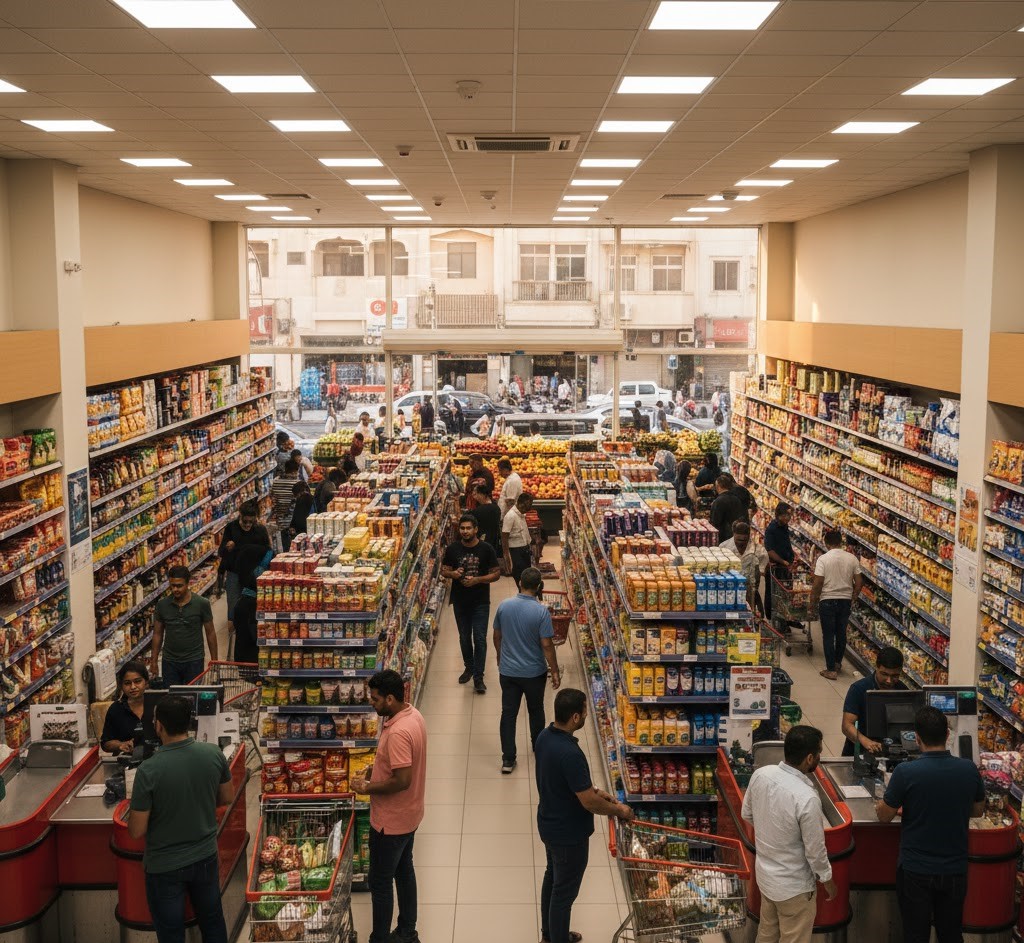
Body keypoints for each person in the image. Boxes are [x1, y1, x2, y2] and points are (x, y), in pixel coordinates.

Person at [875, 707, 985, 943]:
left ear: (916, 737)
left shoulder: (906, 772)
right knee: (951, 933)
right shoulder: (969, 769)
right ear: (947, 735)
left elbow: (884, 816)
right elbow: (977, 810)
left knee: (916, 934)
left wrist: (883, 806)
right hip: (955, 869)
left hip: (916, 870)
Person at [128, 695, 232, 943]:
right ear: (190, 722)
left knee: (171, 933)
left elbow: (136, 830)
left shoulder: (148, 770)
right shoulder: (213, 754)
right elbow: (226, 797)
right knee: (213, 922)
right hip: (205, 856)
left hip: (164, 866)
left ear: (158, 725)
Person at [535, 689, 633, 943]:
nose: (588, 715)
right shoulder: (570, 753)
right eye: (586, 712)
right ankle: (556, 939)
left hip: (549, 822)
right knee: (564, 894)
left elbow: (572, 785)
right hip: (568, 833)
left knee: (553, 877)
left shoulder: (544, 737)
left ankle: (550, 933)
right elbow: (588, 801)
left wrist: (599, 792)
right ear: (576, 717)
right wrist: (619, 809)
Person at [350, 670, 428, 943]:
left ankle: (379, 938)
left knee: (381, 883)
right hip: (411, 813)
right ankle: (408, 931)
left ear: (391, 698)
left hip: (390, 822)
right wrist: (375, 768)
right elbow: (400, 764)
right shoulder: (413, 715)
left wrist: (366, 787)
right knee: (405, 871)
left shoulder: (397, 732)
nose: (371, 703)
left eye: (375, 699)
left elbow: (403, 780)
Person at [741, 725, 837, 943]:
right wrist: (828, 880)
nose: (820, 757)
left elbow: (747, 813)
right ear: (810, 758)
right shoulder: (806, 798)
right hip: (794, 888)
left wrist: (771, 830)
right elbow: (815, 851)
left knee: (767, 934)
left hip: (766, 878)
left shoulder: (761, 774)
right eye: (819, 753)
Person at [493, 567, 560, 774]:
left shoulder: (504, 606)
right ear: (540, 587)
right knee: (536, 710)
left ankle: (508, 759)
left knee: (508, 713)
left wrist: (499, 655)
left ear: (520, 583)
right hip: (534, 672)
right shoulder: (540, 612)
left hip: (509, 671)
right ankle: (538, 749)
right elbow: (547, 645)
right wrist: (555, 670)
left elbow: (497, 636)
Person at [440, 514, 500, 694]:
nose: (465, 531)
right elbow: (444, 570)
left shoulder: (486, 549)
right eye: (462, 528)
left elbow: (496, 573)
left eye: (468, 528)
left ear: (476, 530)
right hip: (460, 601)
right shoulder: (452, 549)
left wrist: (478, 580)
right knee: (464, 637)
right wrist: (454, 574)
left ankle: (478, 676)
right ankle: (469, 667)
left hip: (481, 601)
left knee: (480, 638)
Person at [151, 566, 216, 685]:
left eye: (179, 585)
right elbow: (157, 634)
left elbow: (210, 632)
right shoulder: (162, 605)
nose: (175, 589)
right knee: (172, 699)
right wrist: (153, 661)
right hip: (170, 661)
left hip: (194, 660)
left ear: (188, 583)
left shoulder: (202, 604)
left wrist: (215, 661)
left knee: (192, 697)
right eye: (172, 585)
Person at [812, 530, 863, 680]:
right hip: (845, 601)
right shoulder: (852, 558)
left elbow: (818, 583)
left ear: (826, 543)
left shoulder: (823, 559)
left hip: (827, 600)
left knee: (828, 635)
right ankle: (837, 664)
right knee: (841, 634)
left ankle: (830, 670)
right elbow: (859, 582)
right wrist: (853, 596)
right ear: (841, 543)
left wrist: (812, 602)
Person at [841, 646, 907, 756]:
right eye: (884, 674)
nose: (889, 681)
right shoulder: (858, 689)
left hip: (891, 754)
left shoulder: (903, 691)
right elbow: (847, 726)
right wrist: (866, 741)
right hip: (858, 753)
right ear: (876, 667)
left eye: (895, 676)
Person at [216, 499, 270, 628]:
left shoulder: (260, 530)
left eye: (251, 522)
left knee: (254, 603)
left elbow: (268, 550)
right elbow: (221, 552)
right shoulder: (231, 528)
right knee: (233, 602)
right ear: (240, 516)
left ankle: (251, 626)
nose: (247, 525)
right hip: (234, 572)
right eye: (245, 521)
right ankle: (233, 628)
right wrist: (227, 548)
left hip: (253, 573)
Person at [231, 542, 274, 664]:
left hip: (246, 663)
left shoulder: (244, 599)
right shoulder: (252, 607)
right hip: (254, 666)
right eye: (269, 567)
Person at [101, 660, 150, 755]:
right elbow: (105, 743)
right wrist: (121, 745)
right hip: (128, 762)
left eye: (137, 681)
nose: (133, 687)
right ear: (121, 686)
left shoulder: (157, 705)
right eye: (127, 683)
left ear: (146, 682)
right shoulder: (116, 709)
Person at [720, 521, 768, 615]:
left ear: (749, 536)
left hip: (749, 592)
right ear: (733, 534)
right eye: (738, 540)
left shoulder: (759, 551)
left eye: (744, 540)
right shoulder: (723, 548)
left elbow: (762, 574)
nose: (741, 543)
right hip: (729, 590)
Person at [764, 502, 797, 623]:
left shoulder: (784, 527)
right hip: (775, 568)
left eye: (790, 515)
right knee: (772, 593)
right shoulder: (771, 529)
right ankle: (771, 617)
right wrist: (783, 561)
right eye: (786, 515)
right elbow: (770, 551)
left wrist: (791, 557)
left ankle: (783, 619)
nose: (788, 518)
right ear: (778, 515)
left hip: (784, 567)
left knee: (784, 593)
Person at [502, 492, 535, 588]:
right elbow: (504, 536)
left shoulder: (521, 514)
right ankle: (523, 594)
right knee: (520, 577)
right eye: (527, 505)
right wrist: (506, 556)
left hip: (524, 549)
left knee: (527, 576)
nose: (529, 508)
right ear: (520, 504)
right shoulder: (510, 516)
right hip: (516, 551)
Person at [271, 458, 300, 550]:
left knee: (283, 544)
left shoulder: (275, 482)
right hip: (292, 520)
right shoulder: (297, 483)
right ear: (294, 471)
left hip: (279, 519)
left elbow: (272, 496)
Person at [710, 473, 745, 543]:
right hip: (734, 535)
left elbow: (715, 522)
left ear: (718, 486)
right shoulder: (736, 499)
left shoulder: (718, 501)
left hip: (722, 537)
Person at [469, 483, 501, 553]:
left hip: (482, 543)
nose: (474, 496)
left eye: (476, 493)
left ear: (482, 494)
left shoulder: (478, 511)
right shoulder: (496, 508)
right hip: (494, 543)